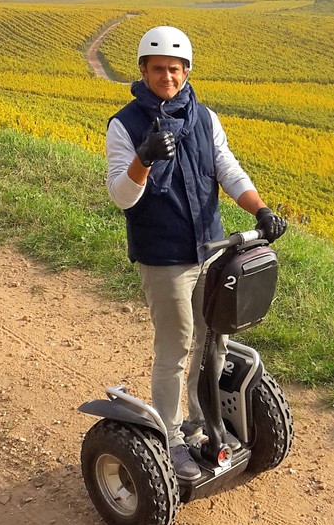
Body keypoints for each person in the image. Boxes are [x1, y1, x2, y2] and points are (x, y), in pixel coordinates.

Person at [106, 25, 287, 484]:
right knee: (178, 343)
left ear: (187, 71)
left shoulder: (204, 118)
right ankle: (167, 438)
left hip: (212, 248)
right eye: (159, 69)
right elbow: (122, 196)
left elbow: (226, 168)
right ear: (143, 71)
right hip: (164, 256)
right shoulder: (125, 125)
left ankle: (201, 422)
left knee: (215, 339)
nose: (168, 76)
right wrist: (143, 158)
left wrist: (260, 208)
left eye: (176, 68)